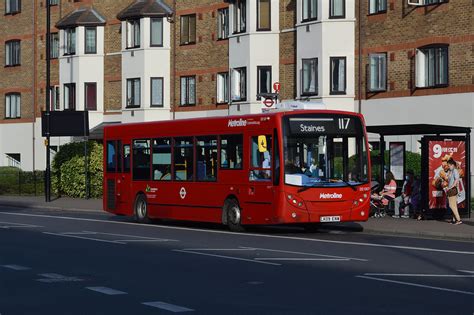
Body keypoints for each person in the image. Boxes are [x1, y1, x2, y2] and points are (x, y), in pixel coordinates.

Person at [446, 158, 462, 225]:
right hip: (451, 190)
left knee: (452, 205)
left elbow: (456, 180)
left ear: (452, 165)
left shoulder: (455, 170)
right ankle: (454, 219)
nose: (448, 167)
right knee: (454, 206)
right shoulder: (451, 171)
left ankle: (458, 220)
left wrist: (451, 187)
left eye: (449, 165)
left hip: (452, 190)